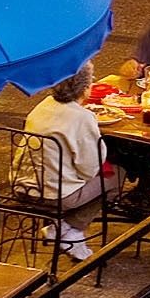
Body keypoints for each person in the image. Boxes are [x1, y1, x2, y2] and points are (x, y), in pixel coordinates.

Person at [20, 62, 117, 260]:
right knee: (116, 176)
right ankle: (72, 228)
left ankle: (64, 228)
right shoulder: (82, 117)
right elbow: (90, 168)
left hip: (23, 185)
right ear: (85, 88)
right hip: (55, 193)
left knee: (88, 173)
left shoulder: (42, 106)